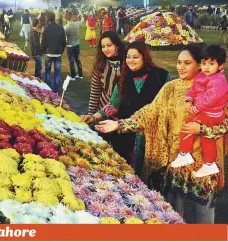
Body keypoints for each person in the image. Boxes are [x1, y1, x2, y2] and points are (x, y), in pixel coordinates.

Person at [94, 45, 227, 223]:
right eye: (179, 62)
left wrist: (202, 130)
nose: (181, 67)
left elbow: (225, 123)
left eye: (187, 63)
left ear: (200, 65)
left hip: (204, 163)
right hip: (175, 159)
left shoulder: (216, 89)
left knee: (204, 213)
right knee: (172, 212)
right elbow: (150, 112)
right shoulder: (170, 88)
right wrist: (119, 124)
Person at [81, 41, 170, 176]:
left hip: (154, 135)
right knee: (130, 171)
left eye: (135, 57)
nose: (131, 60)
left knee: (154, 174)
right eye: (128, 57)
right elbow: (113, 105)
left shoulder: (161, 76)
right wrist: (94, 117)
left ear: (144, 57)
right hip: (127, 133)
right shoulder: (123, 78)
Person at [171, 45, 228, 178]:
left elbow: (210, 98)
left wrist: (196, 108)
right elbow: (193, 89)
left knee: (187, 127)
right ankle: (209, 164)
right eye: (204, 63)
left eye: (211, 64)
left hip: (212, 114)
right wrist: (189, 100)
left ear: (220, 66)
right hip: (206, 113)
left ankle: (184, 154)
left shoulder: (218, 81)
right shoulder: (202, 76)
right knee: (207, 139)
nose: (206, 67)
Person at [87, 31, 124, 115]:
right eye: (103, 46)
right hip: (103, 111)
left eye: (109, 45)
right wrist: (91, 115)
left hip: (124, 113)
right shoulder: (100, 65)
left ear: (117, 45)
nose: (106, 49)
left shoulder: (127, 63)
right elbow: (95, 93)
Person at [41, 11, 66, 93]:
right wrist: (61, 51)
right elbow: (64, 41)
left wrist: (43, 50)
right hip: (58, 53)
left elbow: (43, 41)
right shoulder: (60, 27)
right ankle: (56, 91)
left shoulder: (45, 27)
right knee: (57, 73)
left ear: (47, 18)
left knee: (48, 71)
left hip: (49, 53)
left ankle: (48, 89)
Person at [64, 12, 84, 81]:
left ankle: (73, 76)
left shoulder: (65, 27)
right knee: (78, 60)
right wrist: (81, 15)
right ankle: (80, 75)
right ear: (72, 17)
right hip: (77, 44)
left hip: (70, 46)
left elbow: (64, 38)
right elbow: (82, 21)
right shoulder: (77, 24)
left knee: (71, 62)